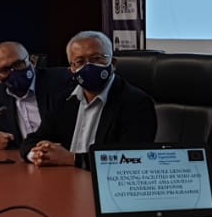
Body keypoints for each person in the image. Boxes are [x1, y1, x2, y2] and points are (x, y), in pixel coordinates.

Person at [20, 30, 156, 167]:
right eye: (80, 62)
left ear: (113, 63)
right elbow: (31, 141)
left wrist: (72, 159)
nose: (88, 66)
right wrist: (37, 154)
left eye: (96, 58)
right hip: (66, 177)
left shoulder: (136, 103)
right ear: (71, 70)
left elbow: (132, 158)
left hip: (103, 179)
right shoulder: (64, 100)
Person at [0, 41, 69, 150]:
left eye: (18, 64)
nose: (14, 72)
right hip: (21, 157)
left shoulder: (60, 80)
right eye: (5, 70)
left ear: (32, 61)